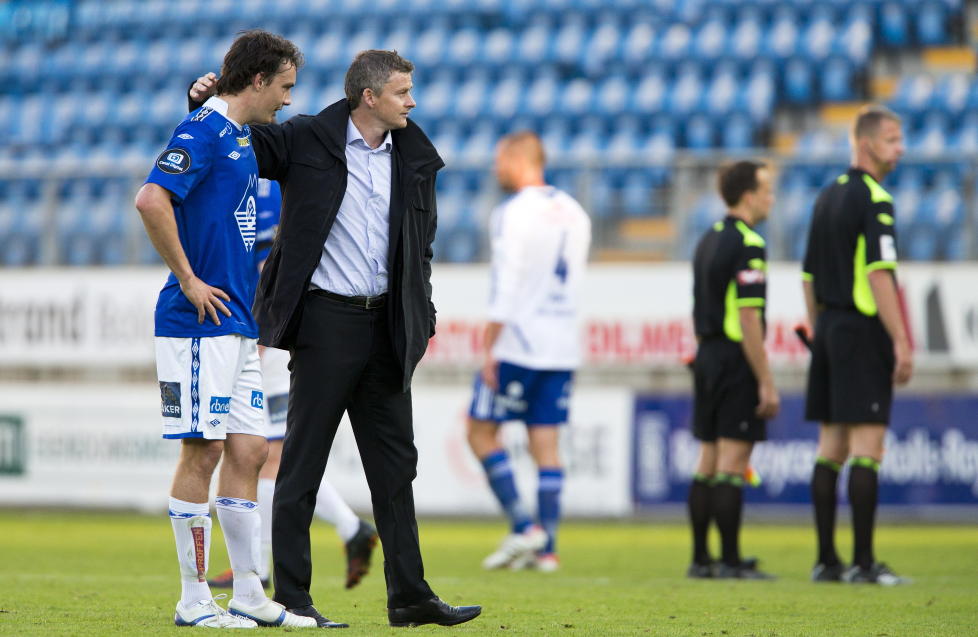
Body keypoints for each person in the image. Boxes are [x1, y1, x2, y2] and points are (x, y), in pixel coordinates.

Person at [189, 50, 481, 628]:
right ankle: (294, 599)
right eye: (402, 92)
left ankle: (410, 597)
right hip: (325, 323)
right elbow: (237, 137)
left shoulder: (415, 155)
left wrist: (421, 314)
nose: (412, 102)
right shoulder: (305, 139)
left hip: (388, 327)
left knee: (396, 469)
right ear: (368, 97)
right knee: (301, 465)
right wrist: (204, 103)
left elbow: (420, 247)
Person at [135, 30, 317, 628]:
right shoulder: (204, 132)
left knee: (251, 448)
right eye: (285, 87)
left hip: (238, 321)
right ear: (259, 79)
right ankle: (193, 600)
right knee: (204, 449)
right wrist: (187, 278)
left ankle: (248, 592)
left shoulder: (237, 134)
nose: (288, 101)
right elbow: (151, 199)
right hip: (197, 320)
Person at [207, 178, 378, 592]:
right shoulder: (258, 174)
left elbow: (270, 261)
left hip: (271, 336)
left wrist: (262, 331)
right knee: (271, 457)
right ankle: (343, 531)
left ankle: (267, 561)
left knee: (271, 455)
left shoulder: (263, 184)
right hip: (272, 330)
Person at [465, 132, 591, 574]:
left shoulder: (512, 212)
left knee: (478, 430)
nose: (497, 168)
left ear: (520, 158)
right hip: (561, 344)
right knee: (546, 442)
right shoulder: (575, 212)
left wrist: (490, 345)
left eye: (501, 159)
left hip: (519, 341)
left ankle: (524, 527)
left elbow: (509, 280)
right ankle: (549, 551)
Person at [802, 104, 912, 585]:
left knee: (831, 448)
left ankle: (827, 561)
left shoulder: (825, 197)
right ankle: (865, 564)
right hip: (863, 330)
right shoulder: (876, 199)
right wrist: (901, 340)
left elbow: (807, 276)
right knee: (868, 449)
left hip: (827, 328)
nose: (900, 147)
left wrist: (819, 329)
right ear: (867, 144)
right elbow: (879, 275)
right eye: (892, 139)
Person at [687, 160, 779, 580]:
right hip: (732, 358)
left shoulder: (707, 238)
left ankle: (702, 559)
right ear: (748, 195)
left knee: (707, 459)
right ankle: (730, 560)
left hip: (705, 356)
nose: (771, 198)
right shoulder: (749, 243)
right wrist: (765, 379)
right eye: (767, 190)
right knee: (732, 461)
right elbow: (748, 319)